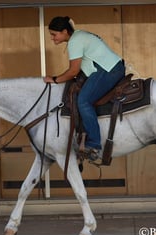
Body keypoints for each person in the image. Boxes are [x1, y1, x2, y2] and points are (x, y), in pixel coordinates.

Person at [44, 16, 125, 161]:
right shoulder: (79, 35)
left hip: (107, 70)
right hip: (109, 68)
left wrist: (55, 79)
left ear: (64, 31)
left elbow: (73, 71)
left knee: (83, 101)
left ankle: (94, 144)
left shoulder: (75, 41)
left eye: (54, 34)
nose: (52, 38)